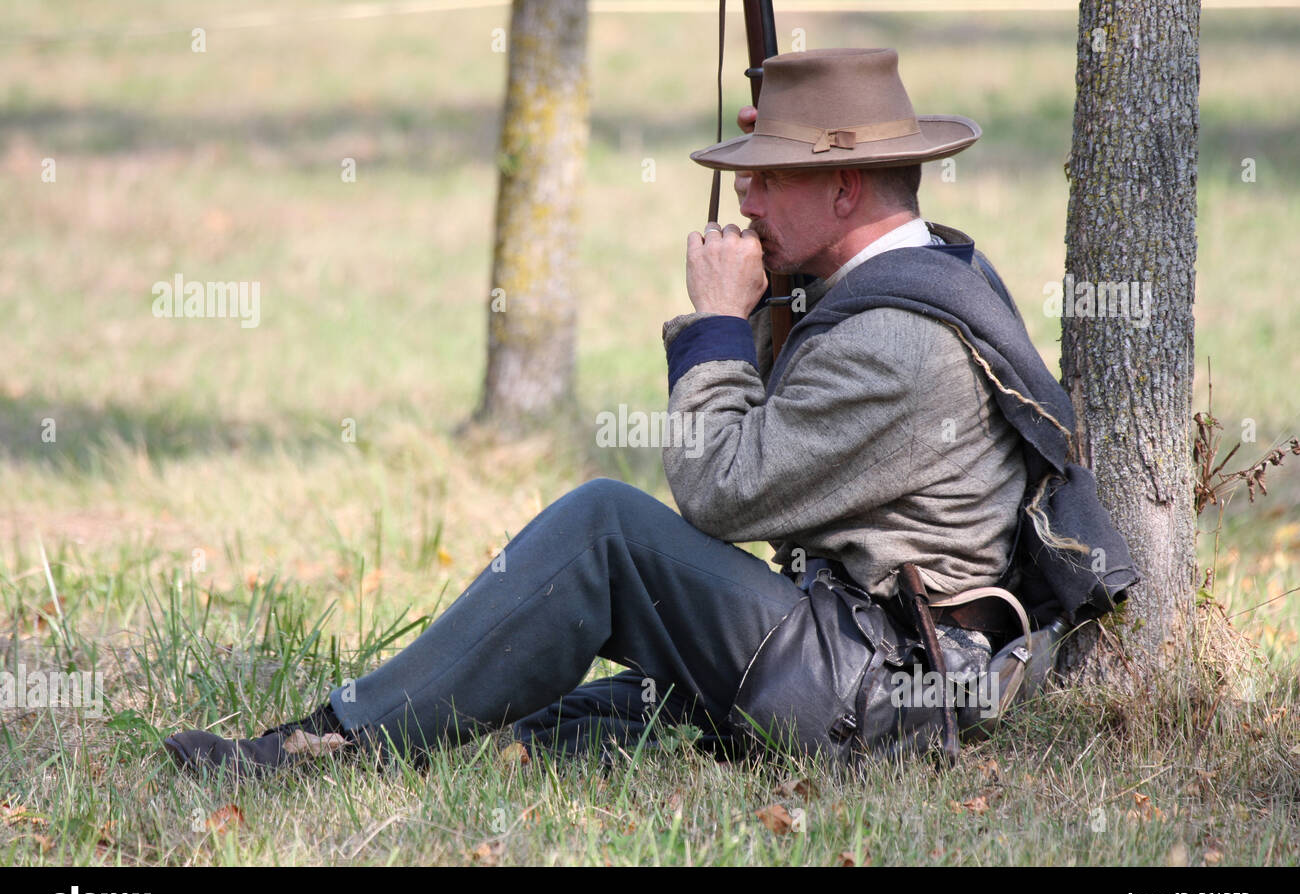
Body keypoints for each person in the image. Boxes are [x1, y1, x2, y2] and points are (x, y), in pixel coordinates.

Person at [163, 48, 1035, 775]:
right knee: (555, 727)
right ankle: (405, 736)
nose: (745, 201)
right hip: (878, 667)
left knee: (604, 527)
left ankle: (330, 742)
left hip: (880, 698)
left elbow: (720, 490)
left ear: (845, 189)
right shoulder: (933, 277)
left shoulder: (891, 338)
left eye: (770, 178)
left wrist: (722, 325)